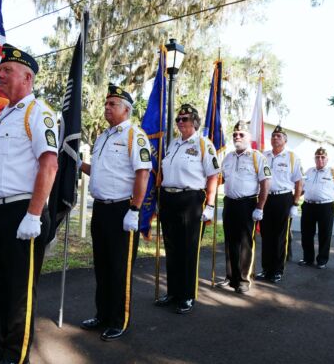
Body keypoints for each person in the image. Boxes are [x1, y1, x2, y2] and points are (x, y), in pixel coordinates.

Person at [0, 44, 59, 364]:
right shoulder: (0, 118)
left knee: (19, 290)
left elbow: (48, 165)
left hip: (23, 212)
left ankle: (17, 354)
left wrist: (34, 214)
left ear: (27, 77)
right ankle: (1, 346)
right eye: (1, 69)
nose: (0, 74)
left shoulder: (38, 113)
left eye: (7, 70)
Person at [79, 85, 151, 341]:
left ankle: (119, 320)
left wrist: (135, 209)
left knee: (119, 268)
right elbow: (98, 171)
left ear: (126, 109)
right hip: (100, 209)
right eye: (106, 103)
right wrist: (78, 164)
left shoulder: (135, 136)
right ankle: (103, 314)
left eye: (113, 104)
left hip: (123, 209)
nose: (107, 107)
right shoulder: (102, 137)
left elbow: (143, 173)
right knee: (102, 266)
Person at [155, 104, 220, 314]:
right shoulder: (173, 144)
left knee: (188, 250)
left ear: (195, 122)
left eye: (185, 119)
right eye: (178, 119)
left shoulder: (203, 144)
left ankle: (187, 295)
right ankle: (173, 291)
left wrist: (209, 205)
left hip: (190, 200)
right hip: (169, 198)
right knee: (172, 248)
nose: (180, 122)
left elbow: (213, 176)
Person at [217, 120, 271, 294]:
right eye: (234, 134)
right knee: (230, 241)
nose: (237, 137)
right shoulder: (228, 157)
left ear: (249, 137)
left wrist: (260, 207)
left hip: (247, 204)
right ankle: (231, 276)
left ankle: (243, 279)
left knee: (246, 242)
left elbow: (265, 184)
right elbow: (221, 178)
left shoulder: (257, 157)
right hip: (229, 202)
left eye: (241, 134)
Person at [257, 125, 303, 283]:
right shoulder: (263, 156)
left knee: (280, 237)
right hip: (265, 198)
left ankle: (277, 270)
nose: (275, 138)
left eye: (278, 136)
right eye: (273, 135)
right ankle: (266, 268)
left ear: (285, 140)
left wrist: (295, 203)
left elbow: (299, 182)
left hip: (283, 199)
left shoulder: (292, 157)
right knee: (266, 234)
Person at [299, 147, 334, 269]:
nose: (320, 159)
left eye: (322, 157)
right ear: (314, 158)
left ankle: (322, 260)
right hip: (308, 206)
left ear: (327, 159)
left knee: (325, 234)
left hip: (326, 207)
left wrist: (329, 195)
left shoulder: (333, 172)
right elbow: (302, 187)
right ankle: (308, 258)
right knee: (306, 234)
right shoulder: (309, 171)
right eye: (317, 157)